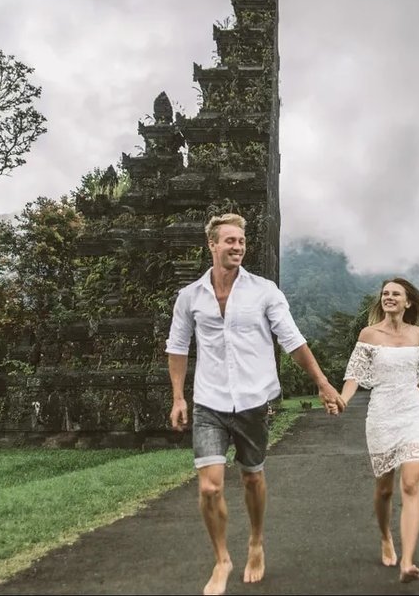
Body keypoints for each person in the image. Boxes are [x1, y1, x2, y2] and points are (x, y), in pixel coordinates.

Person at [166, 213, 345, 596]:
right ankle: (221, 559)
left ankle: (256, 542)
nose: (237, 246)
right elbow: (177, 347)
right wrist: (179, 396)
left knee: (252, 477)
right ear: (212, 245)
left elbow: (292, 341)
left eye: (241, 241)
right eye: (229, 240)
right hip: (209, 402)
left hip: (252, 402)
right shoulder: (190, 297)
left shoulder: (265, 291)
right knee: (210, 488)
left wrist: (323, 383)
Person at [339, 278, 419, 583]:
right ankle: (385, 537)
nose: (389, 297)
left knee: (411, 482)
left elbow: (416, 373)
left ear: (408, 302)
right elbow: (355, 374)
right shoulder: (369, 334)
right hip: (381, 415)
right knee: (385, 489)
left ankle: (407, 561)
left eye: (396, 293)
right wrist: (342, 399)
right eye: (385, 293)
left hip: (412, 414)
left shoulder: (416, 334)